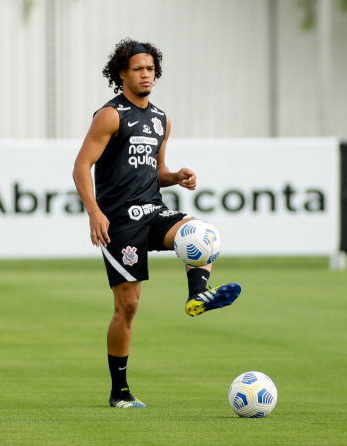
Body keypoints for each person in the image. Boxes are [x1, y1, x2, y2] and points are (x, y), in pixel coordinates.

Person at [72, 38, 241, 408]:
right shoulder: (110, 115)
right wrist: (94, 211)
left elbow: (156, 171)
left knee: (203, 233)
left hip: (153, 211)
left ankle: (198, 294)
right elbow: (81, 166)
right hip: (119, 221)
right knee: (128, 305)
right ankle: (120, 393)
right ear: (122, 73)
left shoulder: (161, 119)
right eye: (138, 69)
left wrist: (175, 175)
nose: (145, 74)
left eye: (150, 68)